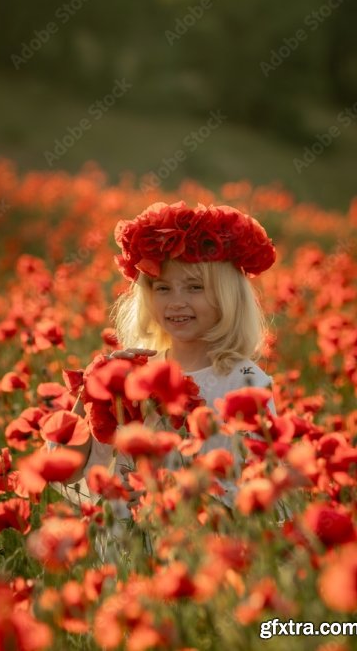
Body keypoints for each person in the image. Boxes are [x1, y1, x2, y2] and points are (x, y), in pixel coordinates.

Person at [49, 200, 277, 524]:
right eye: (163, 287)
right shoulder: (135, 374)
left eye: (195, 287)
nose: (176, 302)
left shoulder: (244, 382)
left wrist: (167, 495)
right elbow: (66, 470)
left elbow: (261, 493)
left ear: (228, 296)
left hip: (202, 551)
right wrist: (93, 393)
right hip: (128, 554)